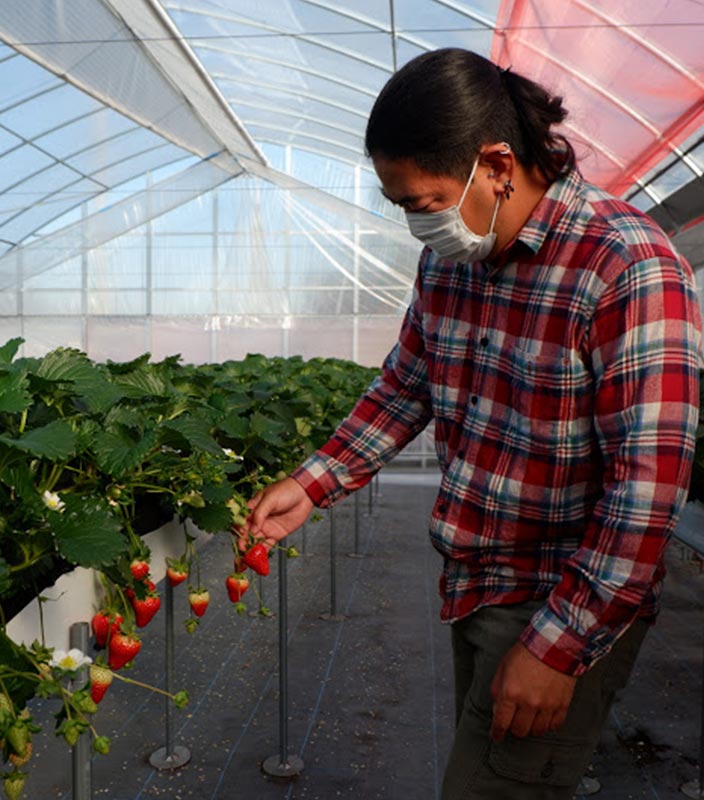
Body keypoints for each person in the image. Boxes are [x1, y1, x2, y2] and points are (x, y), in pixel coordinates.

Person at [243, 48, 702, 799]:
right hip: (474, 583)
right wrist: (313, 482)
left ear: (497, 164)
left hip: (559, 597)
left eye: (423, 203)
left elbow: (646, 492)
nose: (418, 226)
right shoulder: (455, 261)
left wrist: (558, 649)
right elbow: (406, 385)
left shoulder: (626, 267)